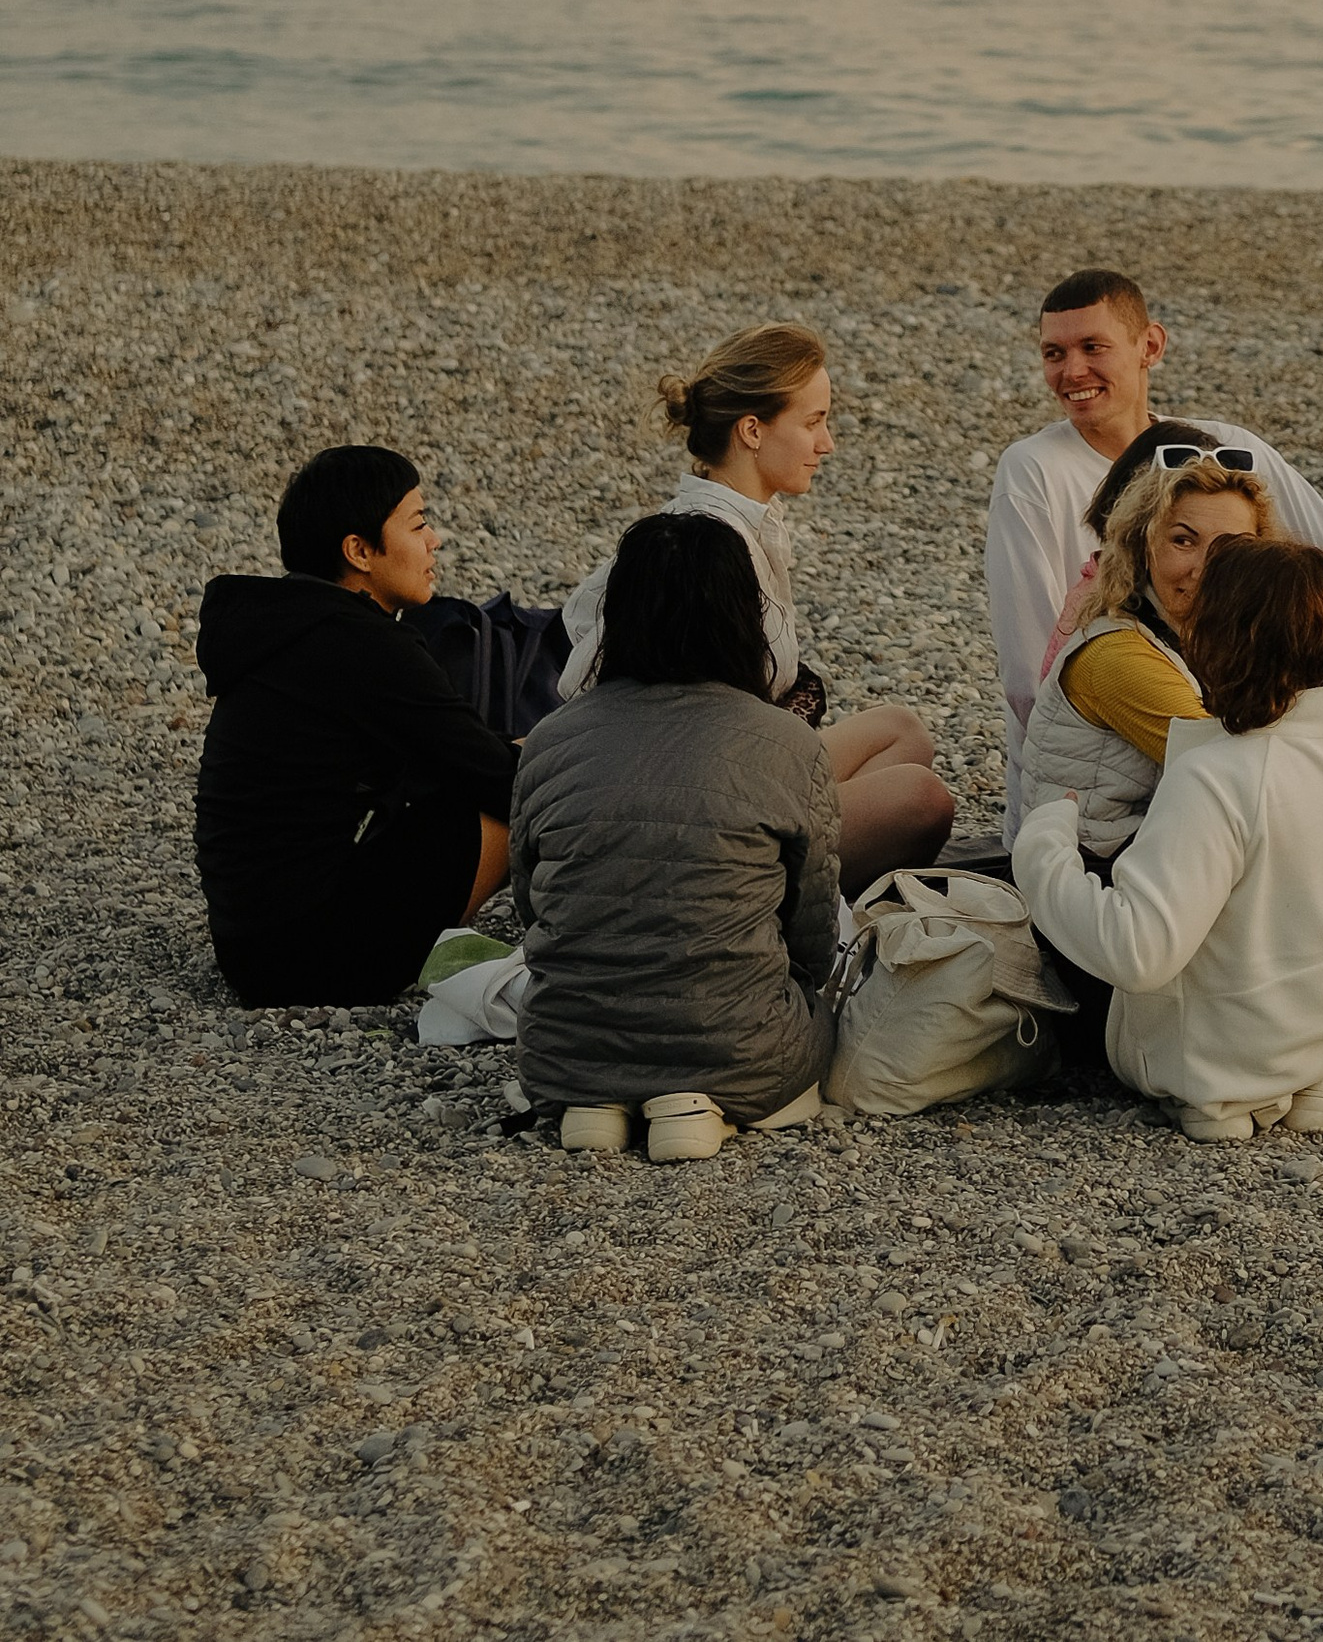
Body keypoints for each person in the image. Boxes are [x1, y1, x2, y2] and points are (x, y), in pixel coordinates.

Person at [1015, 539, 1323, 1143]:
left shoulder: (1216, 775)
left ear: (1216, 642)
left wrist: (1044, 845)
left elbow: (1137, 952)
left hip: (1214, 1060)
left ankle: (1223, 1103)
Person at [985, 267, 1323, 834]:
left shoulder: (1228, 452)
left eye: (1093, 347)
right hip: (1099, 812)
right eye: (1053, 353)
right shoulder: (1033, 471)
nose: (1071, 371)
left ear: (1149, 346)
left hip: (1235, 748)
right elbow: (1030, 679)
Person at [558, 324, 953, 889]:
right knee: (923, 800)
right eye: (814, 422)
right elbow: (690, 732)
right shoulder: (706, 550)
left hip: (733, 764)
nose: (828, 443)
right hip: (703, 801)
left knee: (902, 731)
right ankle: (766, 895)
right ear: (752, 430)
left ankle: (793, 872)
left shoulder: (732, 522)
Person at [513, 514, 841, 1161]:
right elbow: (812, 934)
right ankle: (695, 1101)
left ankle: (597, 1106)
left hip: (563, 1056)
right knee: (823, 1015)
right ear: (745, 616)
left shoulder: (551, 740)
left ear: (618, 613)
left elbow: (533, 907)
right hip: (743, 1056)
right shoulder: (787, 743)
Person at [195, 446, 517, 1007]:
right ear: (360, 551)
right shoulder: (365, 646)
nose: (434, 539)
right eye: (418, 524)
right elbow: (504, 783)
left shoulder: (284, 627)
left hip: (250, 949)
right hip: (312, 961)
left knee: (519, 764)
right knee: (540, 791)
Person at [1017, 451, 1278, 851]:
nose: (1204, 568)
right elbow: (1236, 776)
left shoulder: (1209, 638)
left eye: (1231, 547)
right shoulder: (1117, 654)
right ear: (1143, 545)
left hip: (1153, 855)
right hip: (1093, 878)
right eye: (1183, 541)